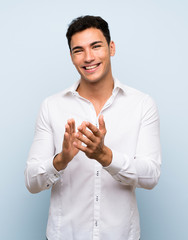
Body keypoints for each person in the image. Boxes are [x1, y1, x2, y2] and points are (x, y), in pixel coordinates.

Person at [25, 15, 161, 240]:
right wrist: (61, 160)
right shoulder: (51, 106)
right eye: (78, 50)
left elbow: (151, 175)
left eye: (96, 46)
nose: (88, 57)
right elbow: (31, 181)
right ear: (71, 57)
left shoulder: (142, 104)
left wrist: (105, 156)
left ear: (111, 48)